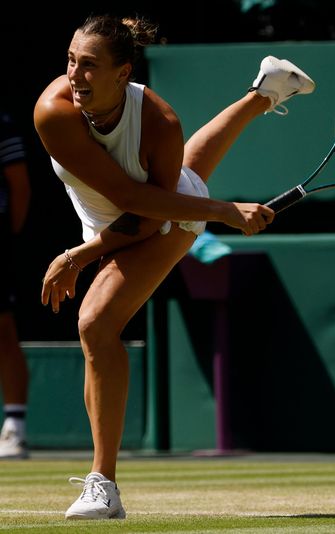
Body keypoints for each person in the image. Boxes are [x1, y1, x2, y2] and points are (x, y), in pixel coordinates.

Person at [34, 14, 315, 519]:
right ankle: (264, 91)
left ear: (123, 75)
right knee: (194, 179)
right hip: (121, 214)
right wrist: (226, 211)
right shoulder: (53, 111)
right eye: (72, 61)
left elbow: (145, 217)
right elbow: (122, 195)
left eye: (90, 66)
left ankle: (104, 486)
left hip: (162, 224)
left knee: (96, 325)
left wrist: (82, 254)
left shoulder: (159, 121)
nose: (75, 75)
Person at [0, 109, 32, 460]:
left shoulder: (3, 122)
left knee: (3, 328)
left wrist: (9, 238)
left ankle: (15, 428)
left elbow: (19, 186)